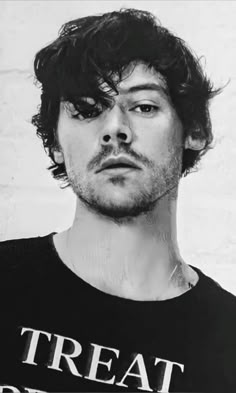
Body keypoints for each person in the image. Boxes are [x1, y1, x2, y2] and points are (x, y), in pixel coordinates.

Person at [0, 7, 235, 393]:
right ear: (56, 143)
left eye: (144, 106)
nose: (114, 129)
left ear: (194, 130)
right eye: (87, 109)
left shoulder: (228, 342)